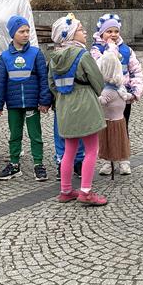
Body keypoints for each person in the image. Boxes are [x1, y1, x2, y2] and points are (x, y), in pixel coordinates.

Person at [48, 14, 107, 206]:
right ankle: (86, 192)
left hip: (64, 107)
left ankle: (66, 190)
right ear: (70, 34)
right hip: (85, 105)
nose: (85, 32)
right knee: (91, 149)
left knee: (69, 150)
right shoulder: (83, 55)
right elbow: (98, 82)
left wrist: (63, 98)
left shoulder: (54, 57)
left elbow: (52, 85)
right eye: (80, 29)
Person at [0, 15, 51, 181]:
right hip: (14, 104)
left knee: (35, 135)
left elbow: (43, 79)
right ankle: (14, 164)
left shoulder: (36, 53)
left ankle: (38, 164)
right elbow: (1, 83)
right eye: (21, 31)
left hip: (32, 103)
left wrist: (44, 100)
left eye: (27, 31)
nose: (26, 34)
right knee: (14, 135)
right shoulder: (4, 57)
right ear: (12, 34)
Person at [91, 13, 143, 175]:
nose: (113, 35)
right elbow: (101, 67)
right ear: (101, 33)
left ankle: (123, 159)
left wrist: (135, 91)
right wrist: (111, 48)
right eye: (109, 31)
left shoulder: (126, 50)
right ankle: (108, 160)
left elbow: (136, 71)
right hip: (105, 96)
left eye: (116, 31)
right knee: (104, 129)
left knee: (122, 128)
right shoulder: (96, 50)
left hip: (123, 97)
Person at [96, 48, 131, 173]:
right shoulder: (119, 87)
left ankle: (113, 162)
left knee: (110, 142)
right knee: (120, 141)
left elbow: (102, 101)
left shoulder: (108, 90)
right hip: (117, 120)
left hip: (110, 121)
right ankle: (119, 162)